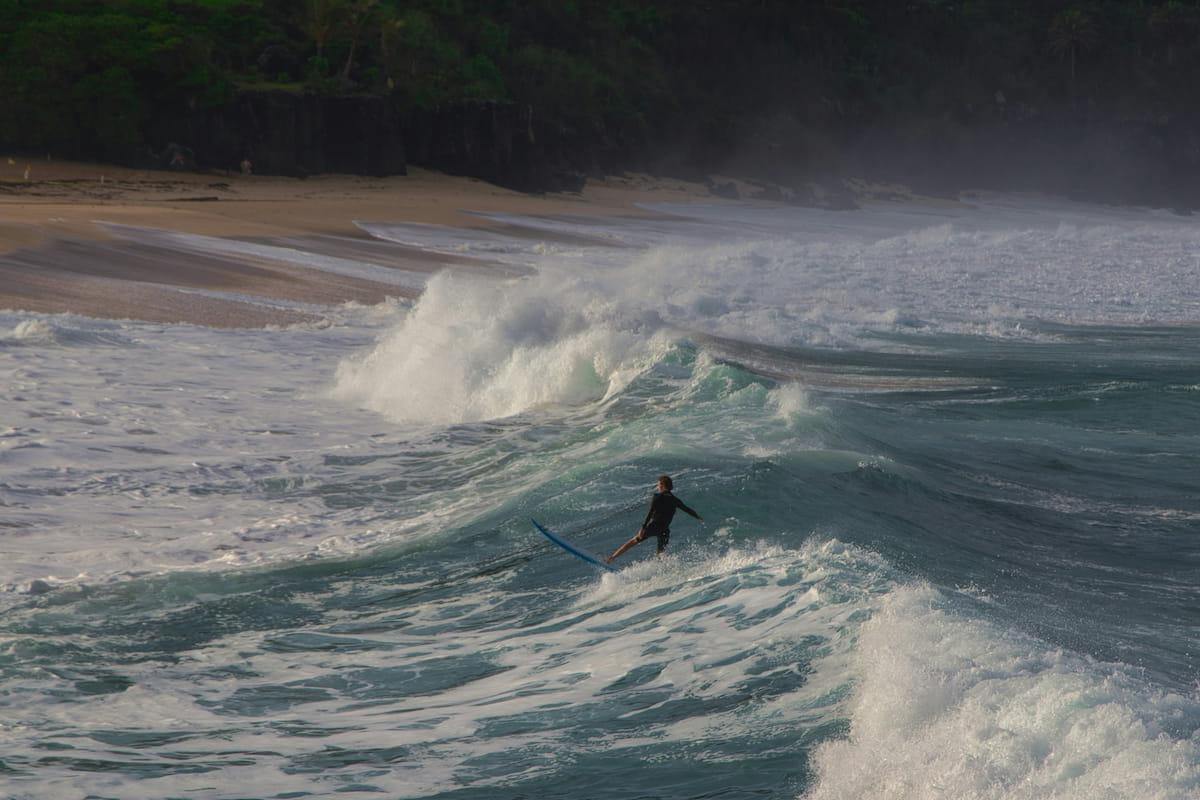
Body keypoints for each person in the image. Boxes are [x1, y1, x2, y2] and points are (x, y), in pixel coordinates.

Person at [606, 475, 703, 563]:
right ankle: (660, 570)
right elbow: (686, 509)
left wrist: (643, 527)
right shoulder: (675, 500)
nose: (658, 487)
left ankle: (611, 558)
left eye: (658, 485)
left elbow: (650, 512)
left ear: (663, 486)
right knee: (660, 554)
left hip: (653, 526)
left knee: (633, 541)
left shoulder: (657, 497)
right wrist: (697, 516)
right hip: (664, 530)